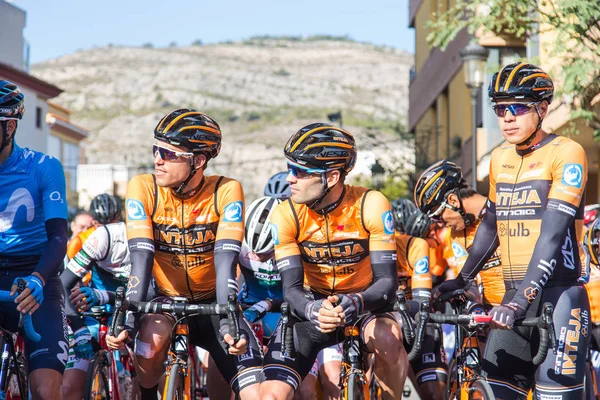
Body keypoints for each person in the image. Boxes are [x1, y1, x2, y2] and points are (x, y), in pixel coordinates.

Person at [435, 63, 590, 399]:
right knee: (492, 393)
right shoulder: (500, 158)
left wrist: (520, 302)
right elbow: (490, 224)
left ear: (543, 109)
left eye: (517, 108)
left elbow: (551, 235)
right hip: (512, 297)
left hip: (558, 298)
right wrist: (462, 279)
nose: (507, 117)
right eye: (500, 109)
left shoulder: (566, 153)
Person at [105, 109, 262, 400]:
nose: (157, 159)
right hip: (166, 299)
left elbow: (226, 262)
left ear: (198, 161)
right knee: (149, 345)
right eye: (155, 149)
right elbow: (141, 261)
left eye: (168, 153)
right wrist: (128, 317)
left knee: (257, 392)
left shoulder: (226, 190)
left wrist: (230, 318)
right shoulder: (144, 186)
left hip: (214, 302)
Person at [260, 123, 408, 400]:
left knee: (389, 339)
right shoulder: (285, 213)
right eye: (290, 168)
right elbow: (291, 290)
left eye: (300, 172)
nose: (290, 178)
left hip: (366, 303)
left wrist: (357, 302)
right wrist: (313, 309)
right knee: (271, 394)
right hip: (313, 305)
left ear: (331, 177)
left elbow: (387, 282)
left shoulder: (370, 203)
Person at [0, 79, 69, 399]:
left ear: (9, 126)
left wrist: (39, 278)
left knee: (44, 390)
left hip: (36, 276)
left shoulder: (43, 167)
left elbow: (58, 236)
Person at [60, 193, 127, 400]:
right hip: (95, 316)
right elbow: (66, 281)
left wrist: (102, 295)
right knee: (69, 388)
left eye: (112, 222)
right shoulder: (83, 240)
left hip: (128, 315)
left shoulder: (134, 238)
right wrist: (79, 330)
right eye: (98, 223)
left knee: (147, 369)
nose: (105, 227)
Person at [414, 161, 505, 307]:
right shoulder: (457, 233)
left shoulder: (505, 210)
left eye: (437, 216)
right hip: (492, 314)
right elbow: (470, 281)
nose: (439, 224)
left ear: (453, 200)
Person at [392, 198, 446, 399]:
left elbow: (423, 299)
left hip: (417, 321)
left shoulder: (416, 246)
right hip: (384, 323)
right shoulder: (369, 250)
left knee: (433, 393)